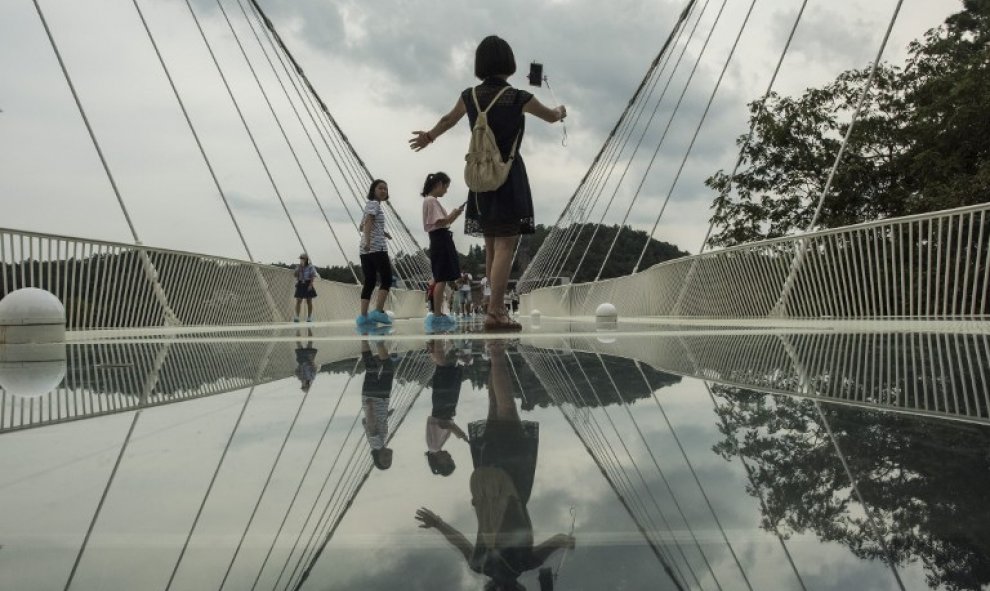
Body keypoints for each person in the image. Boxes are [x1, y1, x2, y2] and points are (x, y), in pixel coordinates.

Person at [410, 35, 566, 332]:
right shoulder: (519, 97)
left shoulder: (469, 95)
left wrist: (428, 137)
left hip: (480, 177)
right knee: (506, 243)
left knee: (492, 243)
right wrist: (561, 112)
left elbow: (448, 119)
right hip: (507, 174)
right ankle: (496, 313)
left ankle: (492, 308)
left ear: (480, 64)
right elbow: (551, 116)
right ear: (509, 63)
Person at [415, 340, 575, 589]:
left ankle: (497, 351)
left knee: (506, 407)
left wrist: (569, 544)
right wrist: (436, 523)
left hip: (512, 479)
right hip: (485, 480)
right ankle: (492, 355)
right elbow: (459, 541)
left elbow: (562, 539)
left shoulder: (526, 562)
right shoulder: (479, 565)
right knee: (493, 406)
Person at [422, 172, 464, 328]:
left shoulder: (429, 201)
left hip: (438, 239)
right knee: (441, 278)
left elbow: (443, 222)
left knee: (441, 276)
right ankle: (437, 314)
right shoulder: (431, 201)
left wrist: (454, 215)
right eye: (446, 187)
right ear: (439, 184)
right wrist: (453, 214)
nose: (446, 191)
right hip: (441, 240)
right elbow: (442, 222)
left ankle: (437, 313)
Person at [425, 339, 467, 476]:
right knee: (445, 370)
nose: (450, 457)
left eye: (448, 460)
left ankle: (437, 337)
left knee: (443, 369)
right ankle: (433, 347)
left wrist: (459, 433)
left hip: (443, 406)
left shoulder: (435, 446)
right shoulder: (435, 447)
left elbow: (443, 424)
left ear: (439, 462)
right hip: (443, 406)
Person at [358, 179, 394, 327]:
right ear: (373, 190)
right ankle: (378, 311)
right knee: (387, 278)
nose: (383, 191)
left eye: (385, 189)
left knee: (370, 281)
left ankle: (363, 317)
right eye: (380, 188)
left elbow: (362, 226)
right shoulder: (374, 204)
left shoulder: (369, 206)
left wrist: (383, 233)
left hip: (364, 251)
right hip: (376, 248)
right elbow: (367, 224)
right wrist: (369, 241)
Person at [361, 336, 395, 470]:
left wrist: (369, 408)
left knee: (386, 368)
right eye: (390, 460)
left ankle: (376, 340)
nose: (388, 458)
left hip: (375, 399)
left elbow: (371, 425)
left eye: (385, 460)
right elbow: (365, 422)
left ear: (377, 458)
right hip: (378, 399)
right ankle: (365, 338)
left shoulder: (377, 445)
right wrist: (386, 414)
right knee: (372, 367)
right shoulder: (379, 443)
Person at [293, 253, 318, 322]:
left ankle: (309, 317)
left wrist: (310, 285)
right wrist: (298, 268)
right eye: (300, 259)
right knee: (298, 300)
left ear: (306, 259)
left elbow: (312, 276)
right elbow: (295, 275)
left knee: (309, 301)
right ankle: (297, 317)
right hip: (300, 283)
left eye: (302, 258)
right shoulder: (299, 267)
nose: (301, 260)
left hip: (308, 283)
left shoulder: (310, 267)